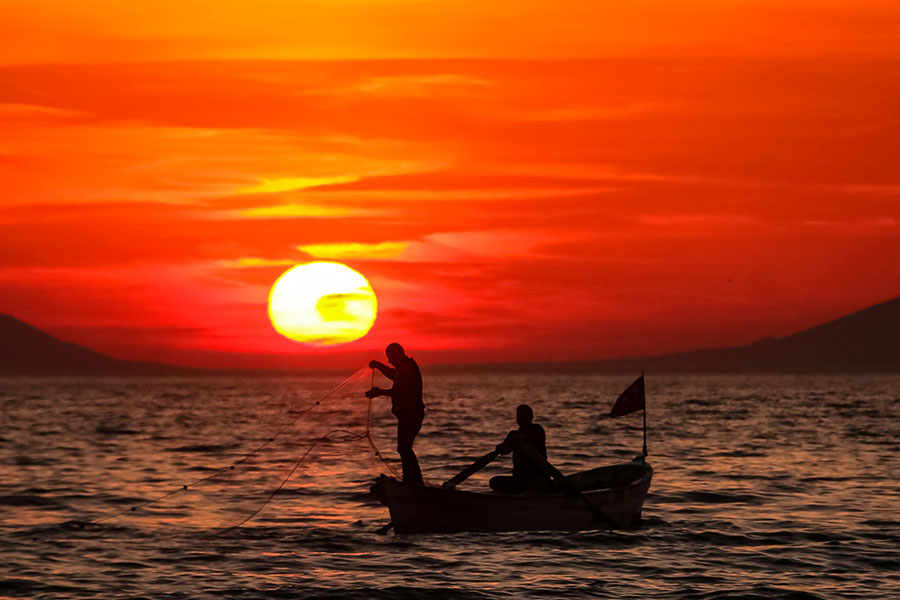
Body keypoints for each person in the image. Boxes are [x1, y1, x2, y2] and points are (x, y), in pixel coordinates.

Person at [366, 343, 425, 485]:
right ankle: (412, 480)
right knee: (404, 448)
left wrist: (379, 392)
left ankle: (413, 481)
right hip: (410, 414)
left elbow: (400, 390)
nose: (389, 361)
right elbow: (394, 375)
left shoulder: (405, 368)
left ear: (397, 354)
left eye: (390, 357)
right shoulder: (404, 367)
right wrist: (379, 366)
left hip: (410, 415)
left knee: (404, 448)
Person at [489, 404, 552, 494]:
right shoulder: (513, 434)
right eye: (518, 415)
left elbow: (528, 437)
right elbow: (504, 450)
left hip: (538, 478)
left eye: (524, 414)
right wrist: (500, 447)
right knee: (494, 481)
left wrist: (518, 439)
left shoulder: (537, 429)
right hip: (520, 480)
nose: (521, 417)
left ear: (531, 417)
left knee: (532, 485)